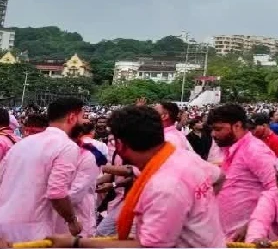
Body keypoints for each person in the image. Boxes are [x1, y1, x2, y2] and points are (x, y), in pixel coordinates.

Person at [48, 105, 226, 248]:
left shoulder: (164, 185)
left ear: (120, 144)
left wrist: (76, 243)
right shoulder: (186, 158)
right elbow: (219, 177)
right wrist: (197, 214)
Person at [0, 97, 85, 243]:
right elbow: (57, 193)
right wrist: (72, 220)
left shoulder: (23, 143)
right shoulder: (66, 146)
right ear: (72, 118)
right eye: (83, 117)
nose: (85, 122)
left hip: (4, 226)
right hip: (32, 231)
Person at [208, 103, 277, 241]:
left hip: (248, 236)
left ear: (237, 126)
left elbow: (277, 190)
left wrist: (250, 225)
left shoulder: (255, 150)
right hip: (228, 234)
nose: (213, 134)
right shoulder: (232, 149)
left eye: (218, 129)